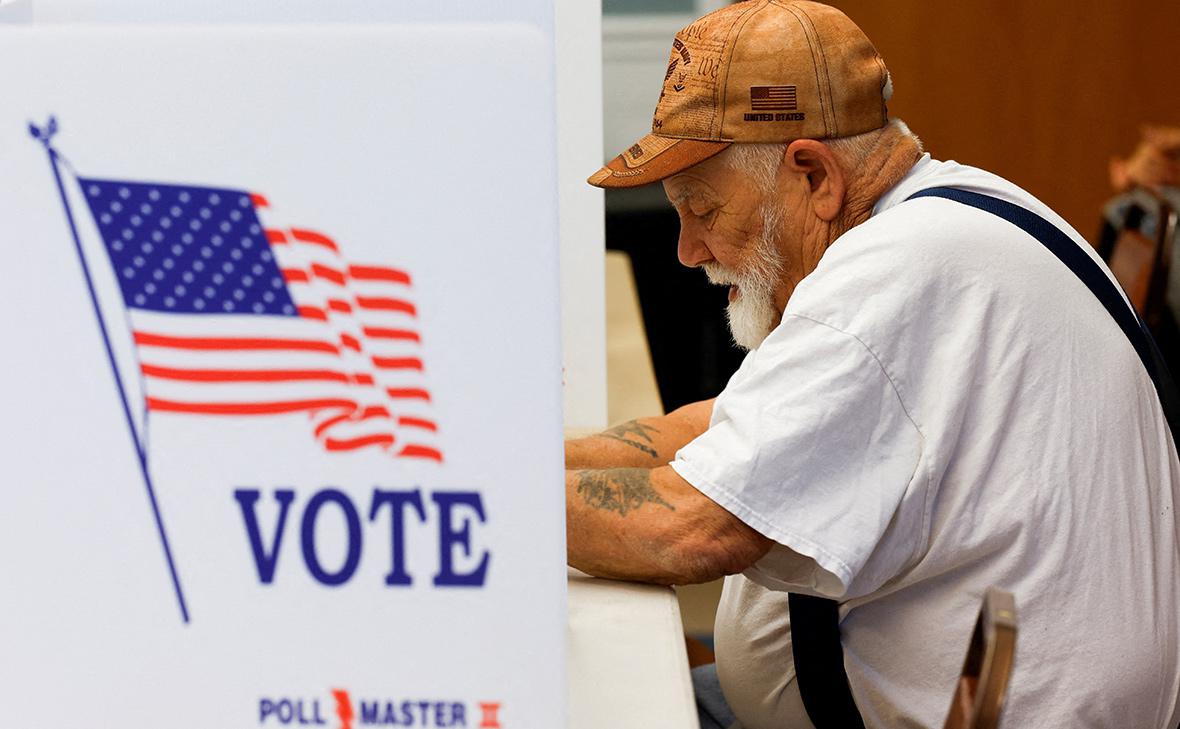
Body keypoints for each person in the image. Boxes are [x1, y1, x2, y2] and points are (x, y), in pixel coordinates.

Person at [565, 2, 1180, 728]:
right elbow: (732, 423)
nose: (687, 250)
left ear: (812, 175)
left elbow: (692, 530)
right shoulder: (947, 209)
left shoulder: (894, 272)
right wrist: (528, 459)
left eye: (702, 209)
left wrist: (482, 503)